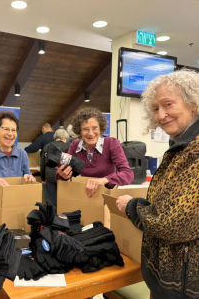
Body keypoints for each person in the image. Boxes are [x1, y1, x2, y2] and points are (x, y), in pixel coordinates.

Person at [116, 70, 199, 299]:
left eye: (168, 104)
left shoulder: (195, 151)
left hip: (185, 285)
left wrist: (133, 207)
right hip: (169, 279)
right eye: (155, 108)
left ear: (193, 103)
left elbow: (174, 223)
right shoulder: (180, 147)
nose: (161, 115)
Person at [57, 107, 134, 197]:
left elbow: (128, 174)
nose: (90, 133)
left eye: (95, 128)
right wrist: (62, 174)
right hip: (84, 196)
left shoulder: (112, 143)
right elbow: (60, 173)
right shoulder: (74, 145)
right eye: (86, 129)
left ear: (100, 129)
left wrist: (103, 180)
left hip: (106, 197)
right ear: (79, 131)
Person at [41, 129, 69, 208]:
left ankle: (52, 217)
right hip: (63, 175)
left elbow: (42, 164)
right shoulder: (68, 147)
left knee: (51, 199)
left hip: (49, 175)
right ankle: (62, 217)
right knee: (63, 199)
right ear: (64, 138)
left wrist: (43, 178)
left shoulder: (47, 146)